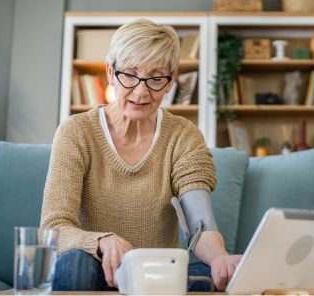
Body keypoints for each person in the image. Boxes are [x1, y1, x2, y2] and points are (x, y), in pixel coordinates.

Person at [40, 19, 241, 291]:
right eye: (130, 75)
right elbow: (53, 228)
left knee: (208, 273)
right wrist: (101, 241)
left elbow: (200, 225)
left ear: (170, 82)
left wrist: (220, 259)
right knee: (74, 262)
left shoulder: (184, 136)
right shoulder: (76, 132)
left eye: (156, 78)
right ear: (110, 72)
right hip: (96, 269)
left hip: (158, 276)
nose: (141, 91)